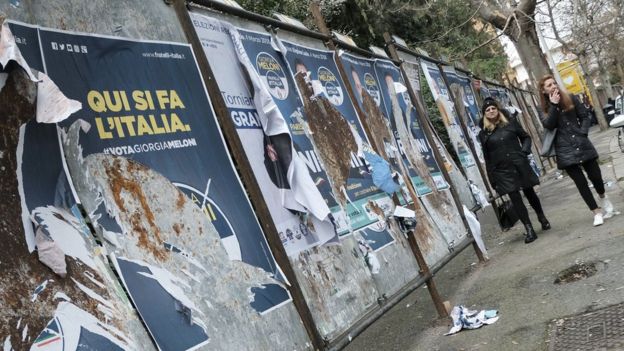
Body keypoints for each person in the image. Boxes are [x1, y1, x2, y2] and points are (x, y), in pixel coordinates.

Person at [539, 75, 614, 226]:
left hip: (582, 143)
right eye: (549, 85)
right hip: (564, 150)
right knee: (581, 183)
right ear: (544, 90)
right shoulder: (544, 109)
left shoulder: (570, 97)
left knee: (596, 177)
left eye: (554, 83)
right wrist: (553, 105)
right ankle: (596, 212)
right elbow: (549, 125)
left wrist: (583, 132)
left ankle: (603, 197)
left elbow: (585, 116)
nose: (553, 86)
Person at [478, 97, 550, 243]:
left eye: (493, 108)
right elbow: (487, 158)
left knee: (530, 192)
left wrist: (524, 151)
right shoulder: (484, 134)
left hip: (519, 164)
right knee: (515, 198)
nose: (491, 111)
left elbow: (526, 138)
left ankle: (541, 217)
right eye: (488, 110)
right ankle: (529, 228)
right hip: (502, 171)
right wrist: (492, 179)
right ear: (484, 114)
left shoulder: (510, 123)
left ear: (497, 110)